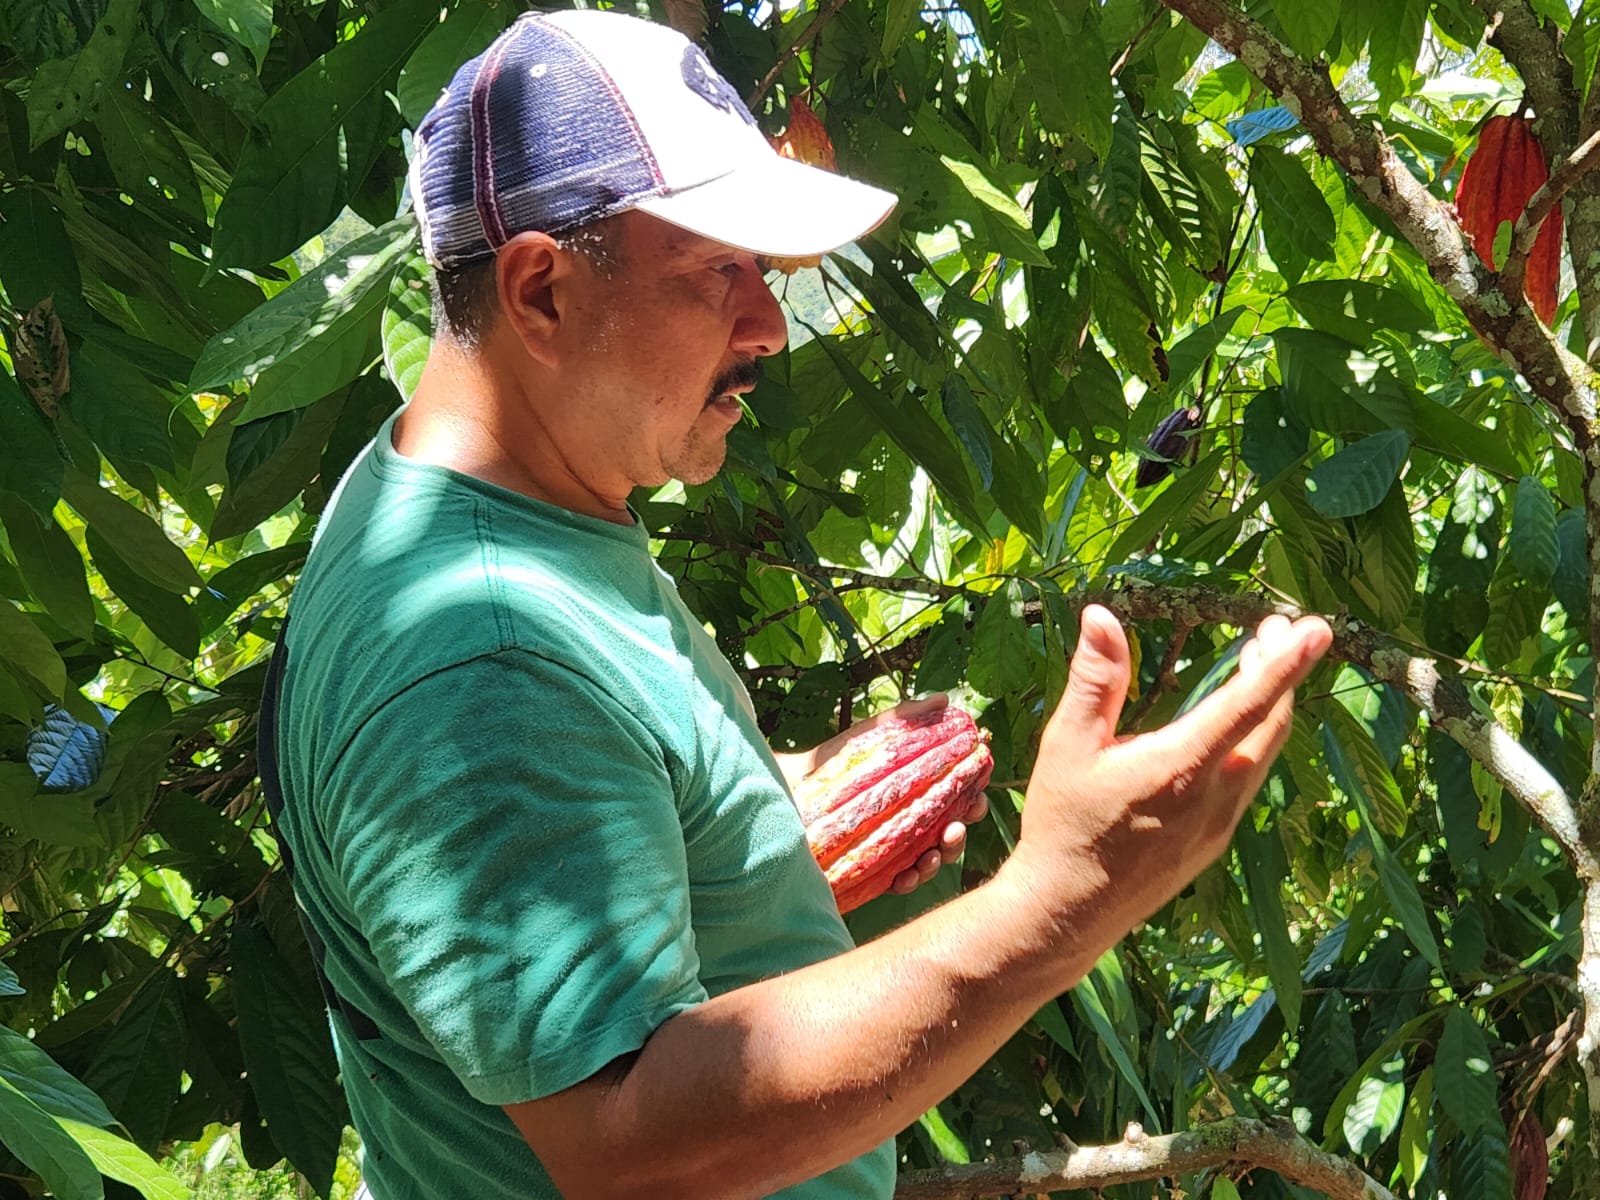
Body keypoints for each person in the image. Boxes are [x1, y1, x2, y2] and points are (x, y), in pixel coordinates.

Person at [268, 9, 1333, 1200]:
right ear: (540, 293)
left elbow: (567, 814)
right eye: (716, 272)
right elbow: (626, 1150)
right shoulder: (483, 656)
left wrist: (759, 824)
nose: (768, 326)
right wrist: (1059, 904)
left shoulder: (480, 509)